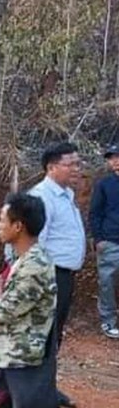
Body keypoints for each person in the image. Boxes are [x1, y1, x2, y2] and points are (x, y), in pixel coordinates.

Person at [0, 193, 58, 408]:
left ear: (18, 226)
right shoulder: (23, 259)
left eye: (2, 220)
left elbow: (4, 310)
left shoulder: (34, 266)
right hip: (10, 353)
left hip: (20, 359)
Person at [27, 142, 84, 408]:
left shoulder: (65, 194)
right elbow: (34, 243)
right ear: (51, 167)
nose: (76, 168)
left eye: (77, 163)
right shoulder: (42, 197)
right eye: (70, 164)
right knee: (43, 333)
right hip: (48, 275)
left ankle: (45, 388)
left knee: (53, 334)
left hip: (63, 276)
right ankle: (33, 392)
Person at [89, 144, 119, 339]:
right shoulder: (104, 184)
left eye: (117, 157)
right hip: (110, 240)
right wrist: (99, 238)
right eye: (111, 158)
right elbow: (95, 213)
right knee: (107, 282)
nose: (115, 161)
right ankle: (108, 321)